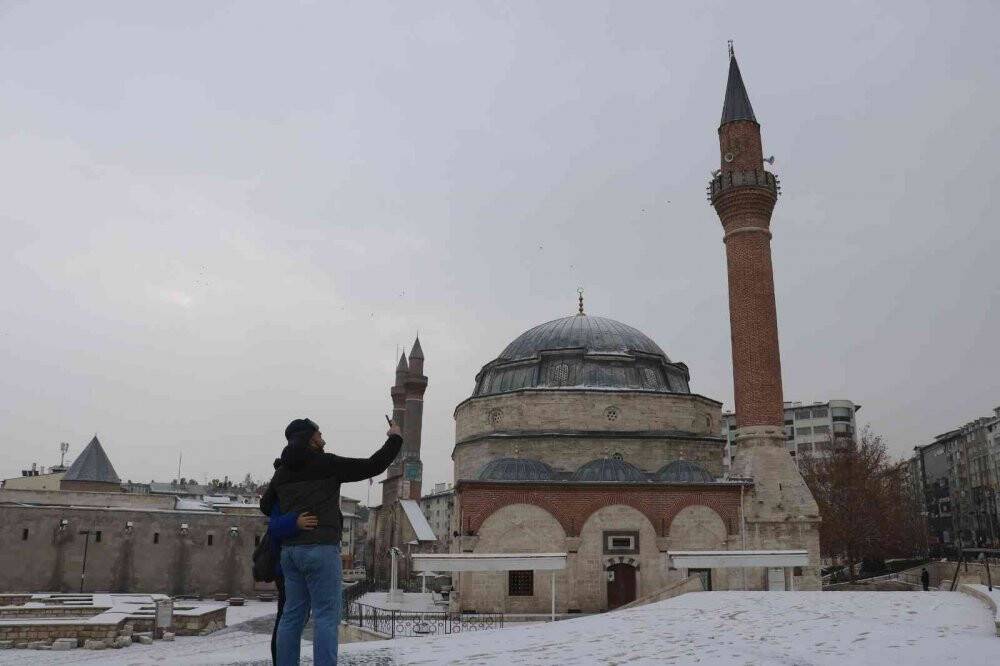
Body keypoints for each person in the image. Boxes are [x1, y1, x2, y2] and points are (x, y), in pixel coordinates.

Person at [270, 417, 402, 666]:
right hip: (321, 550)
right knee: (326, 617)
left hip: (290, 553)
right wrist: (395, 438)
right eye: (319, 434)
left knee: (291, 617)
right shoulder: (327, 464)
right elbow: (373, 465)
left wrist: (292, 520)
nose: (323, 438)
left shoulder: (282, 472)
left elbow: (266, 505)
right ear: (310, 439)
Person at [260, 459, 319, 665]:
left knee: (292, 619)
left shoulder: (296, 491)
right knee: (287, 619)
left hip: (295, 565)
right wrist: (295, 523)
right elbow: (274, 528)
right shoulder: (282, 494)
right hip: (286, 568)